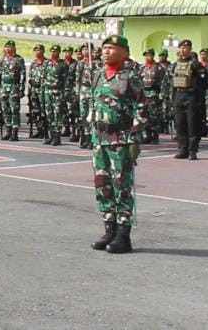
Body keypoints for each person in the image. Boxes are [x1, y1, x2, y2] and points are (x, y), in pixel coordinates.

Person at [88, 35, 146, 254]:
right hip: (99, 139)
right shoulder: (98, 75)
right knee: (102, 186)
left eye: (112, 48)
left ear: (124, 52)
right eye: (104, 48)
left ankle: (123, 234)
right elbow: (92, 104)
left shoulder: (130, 77)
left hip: (120, 139)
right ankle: (109, 228)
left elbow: (141, 109)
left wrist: (135, 139)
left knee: (121, 186)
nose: (106, 51)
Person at [169, 39, 207, 160]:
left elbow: (203, 82)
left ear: (190, 49)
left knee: (192, 124)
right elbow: (172, 83)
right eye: (181, 48)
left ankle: (192, 150)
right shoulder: (175, 65)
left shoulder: (195, 64)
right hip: (179, 95)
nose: (183, 50)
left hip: (191, 95)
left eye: (186, 48)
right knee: (180, 124)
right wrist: (172, 99)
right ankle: (182, 149)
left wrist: (198, 99)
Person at [0, 40, 25, 141]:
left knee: (14, 110)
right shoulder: (2, 59)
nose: (8, 49)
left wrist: (21, 89)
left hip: (14, 86)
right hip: (4, 86)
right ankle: (7, 130)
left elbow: (22, 75)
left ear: (14, 48)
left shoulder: (18, 59)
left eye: (10, 47)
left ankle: (15, 132)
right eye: (7, 47)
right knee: (6, 109)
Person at [42, 45, 68, 146]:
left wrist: (64, 94)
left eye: (56, 51)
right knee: (49, 114)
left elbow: (66, 80)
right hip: (48, 92)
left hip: (57, 92)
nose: (53, 53)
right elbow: (44, 78)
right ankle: (51, 135)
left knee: (57, 115)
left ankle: (57, 137)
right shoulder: (47, 64)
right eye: (52, 51)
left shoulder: (62, 64)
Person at [139, 49, 165, 145]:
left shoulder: (158, 68)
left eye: (149, 55)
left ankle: (155, 136)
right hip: (144, 94)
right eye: (146, 55)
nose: (147, 57)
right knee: (144, 115)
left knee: (154, 116)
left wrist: (162, 95)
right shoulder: (141, 67)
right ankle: (146, 135)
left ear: (153, 56)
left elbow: (163, 82)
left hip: (154, 93)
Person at [27, 44, 46, 139]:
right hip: (34, 90)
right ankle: (39, 129)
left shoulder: (46, 63)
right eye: (36, 50)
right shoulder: (33, 63)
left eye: (39, 50)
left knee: (44, 111)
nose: (37, 52)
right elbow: (30, 77)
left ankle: (45, 131)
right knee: (35, 111)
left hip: (42, 90)